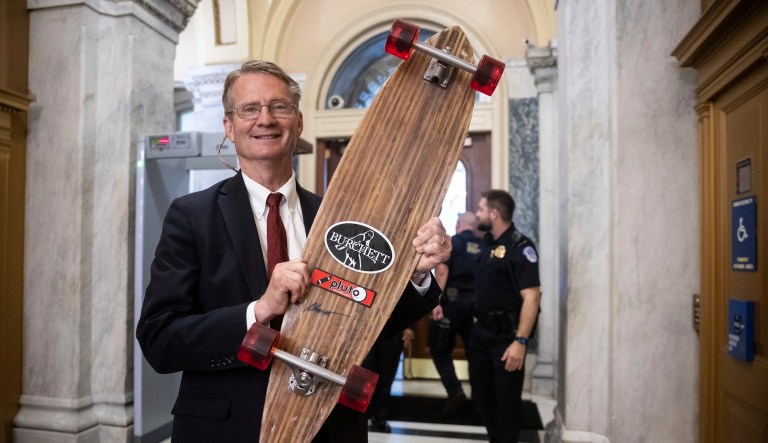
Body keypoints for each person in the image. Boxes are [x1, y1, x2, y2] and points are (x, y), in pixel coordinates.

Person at [135, 60, 451, 443]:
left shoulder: (338, 220)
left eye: (279, 107)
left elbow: (372, 319)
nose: (265, 119)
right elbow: (160, 340)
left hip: (330, 427)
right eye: (249, 109)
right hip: (227, 428)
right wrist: (259, 310)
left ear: (298, 123)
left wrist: (416, 273)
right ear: (229, 127)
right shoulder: (191, 216)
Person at [468, 190, 541, 443]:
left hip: (506, 339)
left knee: (507, 404)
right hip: (480, 337)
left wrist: (520, 342)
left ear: (494, 213)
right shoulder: (486, 243)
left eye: (481, 208)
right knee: (483, 397)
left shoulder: (521, 247)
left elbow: (532, 297)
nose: (478, 213)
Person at [431, 212, 483, 416]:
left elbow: (442, 272)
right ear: (474, 226)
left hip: (451, 305)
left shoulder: (453, 244)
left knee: (439, 349)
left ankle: (455, 392)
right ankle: (479, 402)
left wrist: (436, 300)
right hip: (475, 308)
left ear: (459, 224)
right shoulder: (484, 246)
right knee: (475, 355)